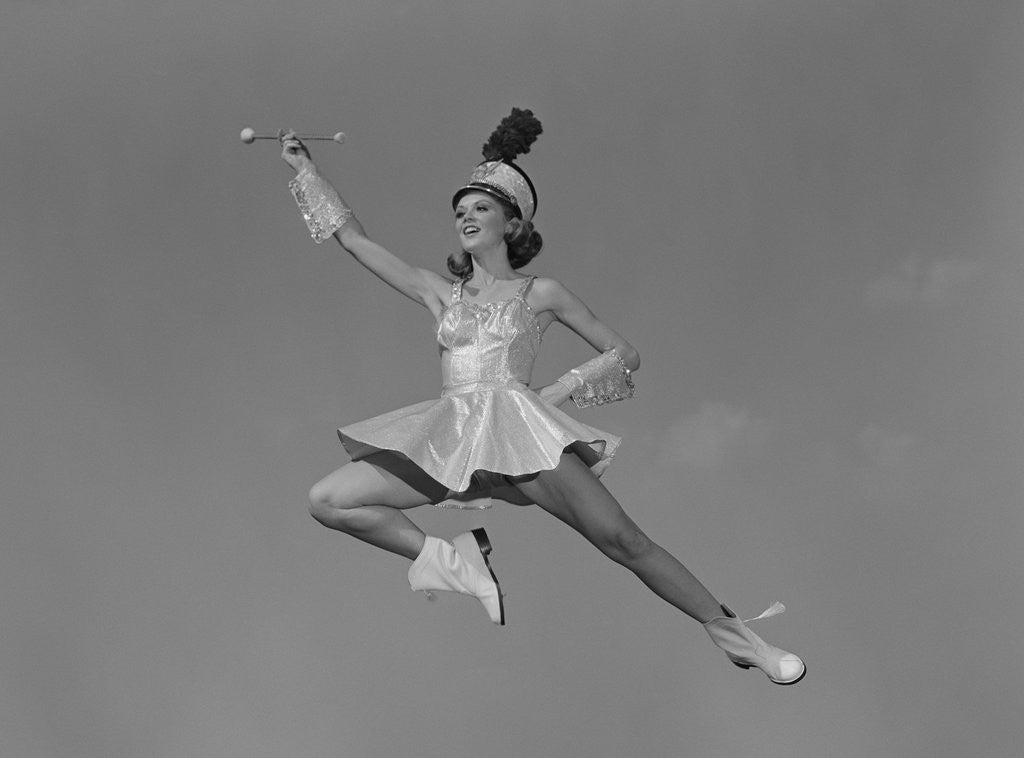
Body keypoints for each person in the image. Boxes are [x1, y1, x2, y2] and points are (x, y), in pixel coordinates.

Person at [278, 109, 805, 685]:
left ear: (512, 223)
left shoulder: (541, 293)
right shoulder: (439, 294)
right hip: (453, 438)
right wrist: (307, 172)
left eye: (480, 207)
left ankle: (738, 638)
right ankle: (454, 563)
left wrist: (558, 389)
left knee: (624, 540)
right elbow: (354, 241)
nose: (465, 217)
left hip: (521, 433)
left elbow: (624, 353)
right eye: (459, 210)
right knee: (329, 499)